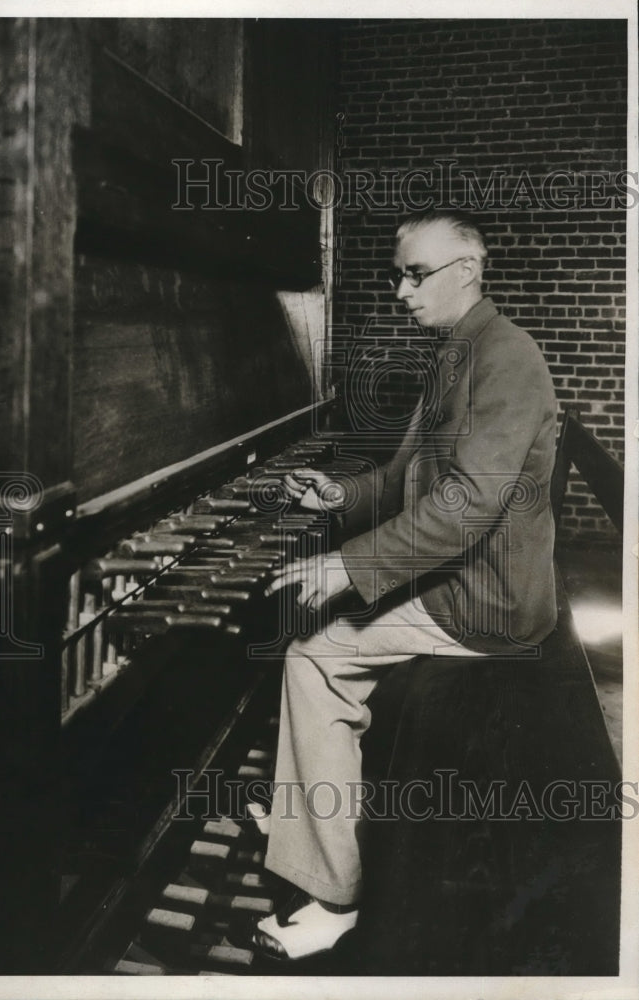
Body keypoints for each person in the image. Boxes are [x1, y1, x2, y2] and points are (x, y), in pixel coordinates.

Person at [247, 209, 559, 961]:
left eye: (414, 274)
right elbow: (403, 481)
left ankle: (331, 895)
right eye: (397, 274)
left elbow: (468, 504)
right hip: (461, 574)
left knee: (312, 657)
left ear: (467, 272)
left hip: (485, 600)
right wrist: (339, 498)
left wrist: (349, 565)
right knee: (311, 626)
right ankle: (304, 805)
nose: (398, 291)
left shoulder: (505, 357)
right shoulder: (460, 350)